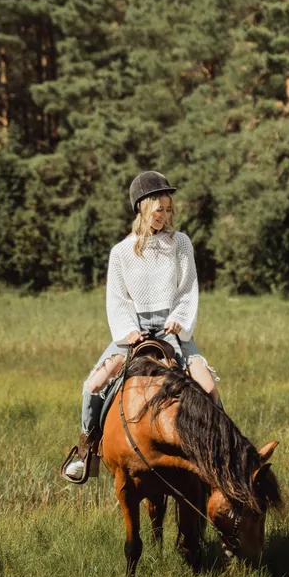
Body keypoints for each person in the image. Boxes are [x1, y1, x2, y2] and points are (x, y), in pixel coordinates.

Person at [62, 170, 219, 484]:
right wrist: (129, 331)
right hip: (133, 331)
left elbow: (188, 289)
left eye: (168, 209)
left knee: (209, 388)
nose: (164, 215)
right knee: (92, 386)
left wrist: (179, 320)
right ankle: (87, 449)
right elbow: (117, 299)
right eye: (158, 208)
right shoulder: (121, 253)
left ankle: (218, 451)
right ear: (142, 208)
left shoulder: (181, 244)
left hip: (172, 329)